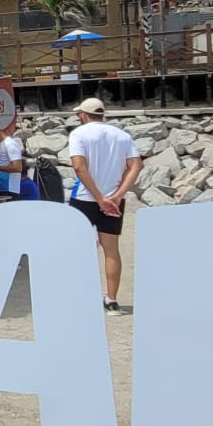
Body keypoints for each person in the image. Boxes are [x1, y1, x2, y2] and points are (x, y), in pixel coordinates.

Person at [67, 98, 143, 315]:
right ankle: (111, 300)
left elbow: (79, 167)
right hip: (113, 199)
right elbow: (136, 166)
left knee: (78, 249)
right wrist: (118, 195)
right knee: (111, 250)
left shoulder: (79, 134)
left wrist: (99, 197)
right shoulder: (122, 136)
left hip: (85, 197)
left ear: (83, 115)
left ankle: (79, 296)